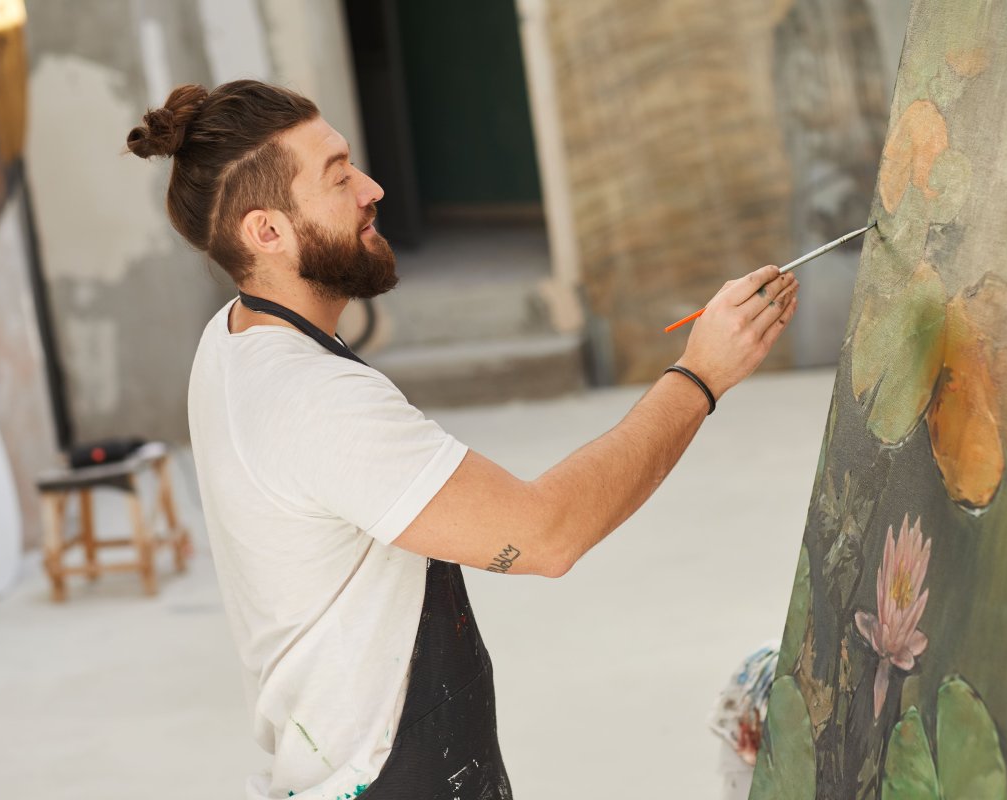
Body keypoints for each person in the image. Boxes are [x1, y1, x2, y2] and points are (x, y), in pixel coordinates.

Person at [127, 79, 800, 800]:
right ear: (267, 232)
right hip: (382, 779)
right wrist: (699, 378)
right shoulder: (311, 399)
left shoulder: (232, 341)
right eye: (340, 176)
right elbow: (546, 535)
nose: (372, 189)